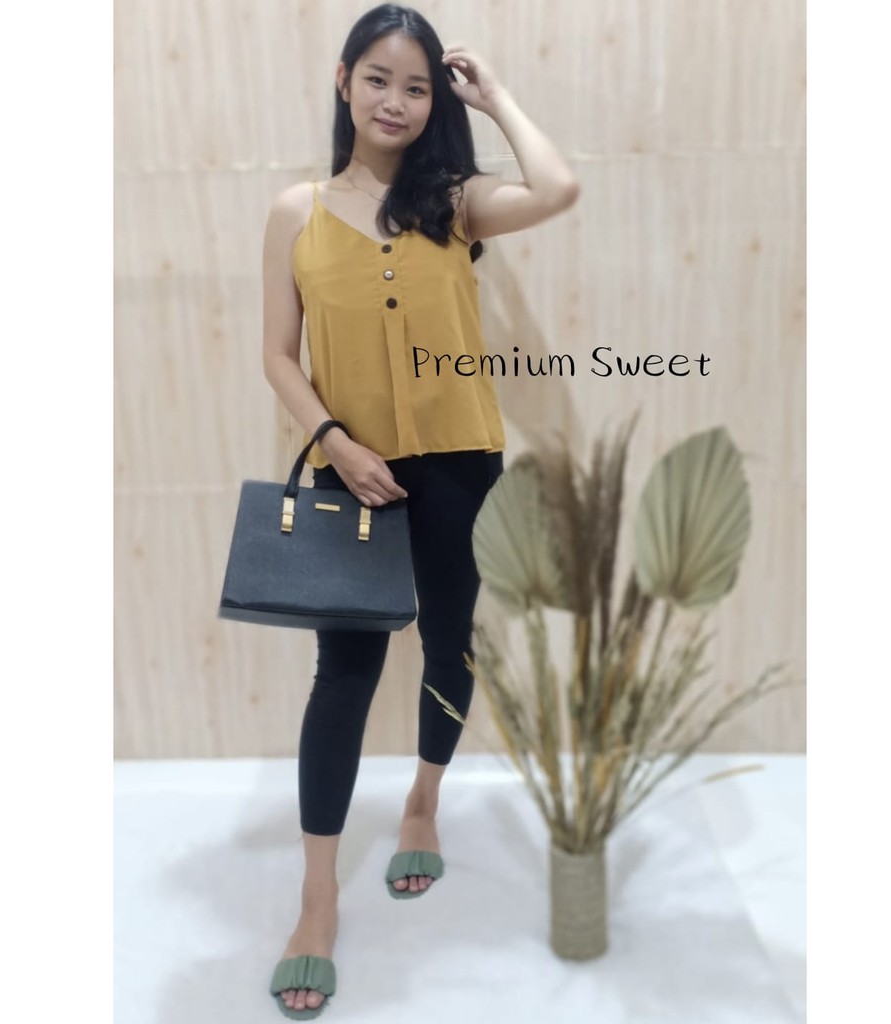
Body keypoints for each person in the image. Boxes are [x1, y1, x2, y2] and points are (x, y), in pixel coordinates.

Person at [260, 4, 579, 1017]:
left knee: (449, 641)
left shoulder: (453, 203)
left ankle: (424, 804)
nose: (395, 101)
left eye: (417, 86)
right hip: (347, 467)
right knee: (343, 674)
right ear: (343, 82)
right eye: (378, 79)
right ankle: (317, 897)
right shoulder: (297, 211)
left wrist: (494, 96)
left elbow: (558, 187)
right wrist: (335, 443)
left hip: (458, 467)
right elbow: (278, 355)